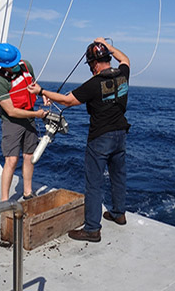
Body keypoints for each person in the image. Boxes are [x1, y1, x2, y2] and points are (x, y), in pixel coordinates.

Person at [27, 37, 130, 242]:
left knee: (94, 183)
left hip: (100, 138)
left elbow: (68, 101)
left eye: (91, 64)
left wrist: (41, 91)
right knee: (118, 176)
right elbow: (125, 58)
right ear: (108, 57)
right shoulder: (123, 74)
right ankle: (119, 214)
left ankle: (92, 229)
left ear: (94, 63)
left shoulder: (94, 83)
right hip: (121, 135)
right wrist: (107, 45)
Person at [0, 43, 47, 201]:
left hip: (29, 118)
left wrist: (43, 94)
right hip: (12, 123)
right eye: (12, 65)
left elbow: (33, 84)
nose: (16, 66)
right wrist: (36, 114)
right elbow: (11, 111)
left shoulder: (26, 65)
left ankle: (27, 192)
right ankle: (4, 200)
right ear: (4, 65)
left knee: (29, 156)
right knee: (12, 160)